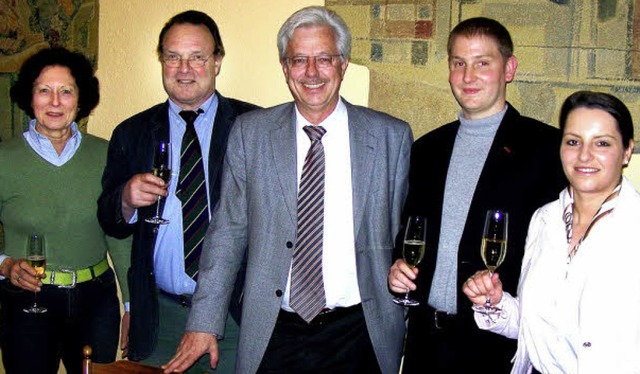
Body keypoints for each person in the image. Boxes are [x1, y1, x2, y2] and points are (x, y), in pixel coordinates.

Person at [163, 6, 411, 374]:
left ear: (343, 64)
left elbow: (402, 231)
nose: (311, 73)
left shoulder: (391, 136)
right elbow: (228, 232)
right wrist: (204, 320)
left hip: (360, 331)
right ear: (284, 68)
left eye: (324, 59)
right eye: (298, 60)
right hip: (275, 329)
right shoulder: (252, 133)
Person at [388, 17, 567, 373]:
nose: (468, 76)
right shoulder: (426, 150)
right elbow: (411, 235)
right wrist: (398, 270)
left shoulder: (547, 151)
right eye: (459, 63)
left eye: (482, 63)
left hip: (496, 351)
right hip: (425, 345)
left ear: (509, 68)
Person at [97, 10, 258, 373]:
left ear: (217, 61)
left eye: (197, 57)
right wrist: (125, 198)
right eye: (173, 57)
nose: (184, 69)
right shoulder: (132, 131)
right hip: (160, 316)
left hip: (235, 315)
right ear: (161, 61)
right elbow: (109, 220)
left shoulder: (254, 127)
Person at [463, 90, 639, 374]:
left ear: (627, 150)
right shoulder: (545, 219)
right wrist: (495, 302)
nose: (584, 155)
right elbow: (537, 326)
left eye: (602, 143)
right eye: (573, 141)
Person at [0, 47, 130, 373]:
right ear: (29, 97)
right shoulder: (4, 158)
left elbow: (119, 234)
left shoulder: (107, 154)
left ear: (80, 98)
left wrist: (131, 304)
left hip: (96, 302)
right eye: (44, 90)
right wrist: (5, 265)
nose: (55, 102)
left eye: (66, 91)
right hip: (26, 301)